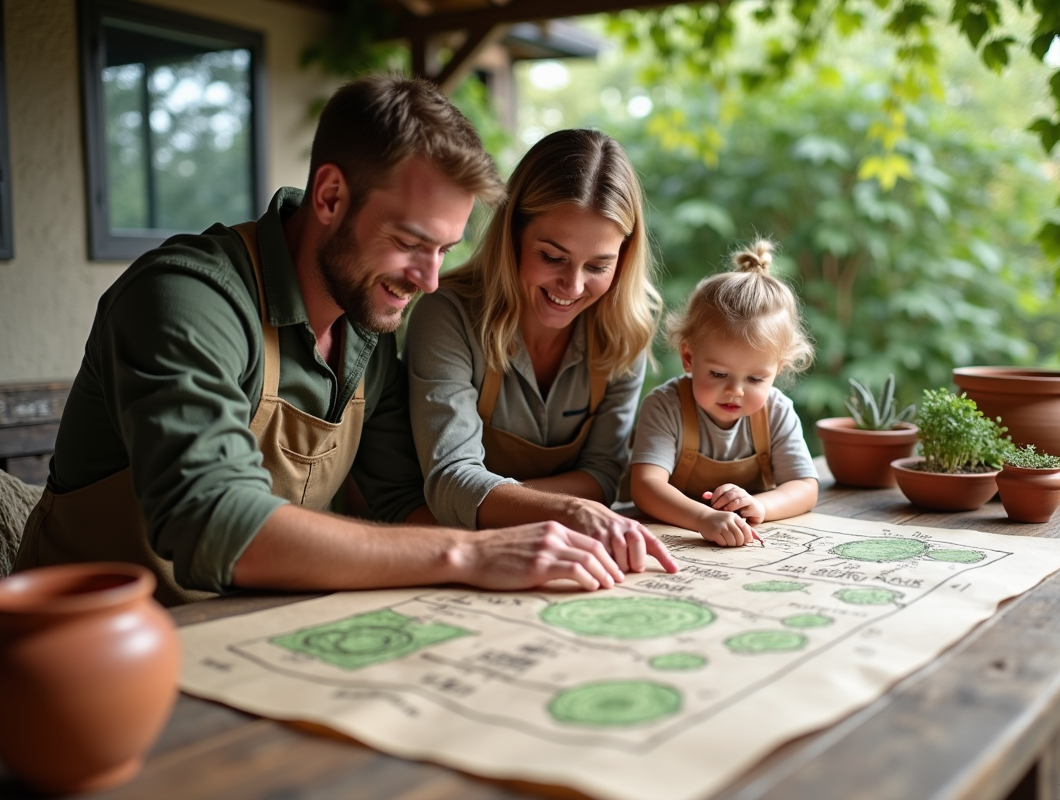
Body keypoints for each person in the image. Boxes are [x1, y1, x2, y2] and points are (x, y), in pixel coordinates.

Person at [15, 75, 629, 605]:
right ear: (331, 196)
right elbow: (211, 519)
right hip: (83, 647)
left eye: (444, 250)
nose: (429, 280)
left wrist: (517, 563)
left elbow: (399, 505)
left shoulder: (368, 329)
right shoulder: (186, 300)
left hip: (250, 635)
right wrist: (469, 556)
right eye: (410, 243)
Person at [405, 129, 677, 576]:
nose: (572, 286)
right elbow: (451, 479)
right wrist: (568, 508)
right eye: (552, 257)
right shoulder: (447, 315)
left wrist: (493, 501)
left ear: (624, 257)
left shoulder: (624, 332)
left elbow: (603, 476)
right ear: (512, 233)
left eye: (598, 266)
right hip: (442, 551)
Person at [628, 239, 820, 546]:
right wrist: (703, 518)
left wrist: (760, 506)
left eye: (755, 378)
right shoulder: (666, 407)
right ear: (688, 357)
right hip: (676, 539)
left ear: (778, 371)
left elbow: (805, 487)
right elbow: (645, 486)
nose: (735, 391)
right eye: (718, 374)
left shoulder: (777, 412)